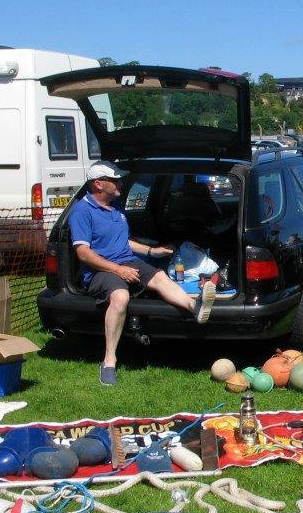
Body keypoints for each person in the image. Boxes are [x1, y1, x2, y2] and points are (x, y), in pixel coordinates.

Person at [69, 161, 214, 386]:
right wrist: (118, 270)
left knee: (159, 277)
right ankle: (109, 361)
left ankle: (195, 307)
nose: (120, 183)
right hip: (99, 270)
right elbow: (83, 253)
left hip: (126, 261)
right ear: (98, 184)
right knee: (120, 297)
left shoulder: (115, 208)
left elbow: (122, 242)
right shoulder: (82, 211)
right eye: (114, 180)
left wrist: (151, 251)